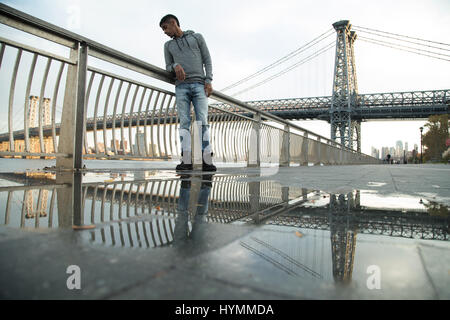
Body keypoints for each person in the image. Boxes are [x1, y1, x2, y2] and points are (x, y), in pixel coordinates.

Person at [160, 14, 216, 171]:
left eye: (165, 27)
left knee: (202, 122)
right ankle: (186, 160)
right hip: (181, 87)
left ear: (173, 23)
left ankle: (207, 159)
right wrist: (175, 65)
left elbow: (207, 59)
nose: (164, 32)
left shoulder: (197, 37)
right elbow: (167, 66)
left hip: (200, 85)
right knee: (184, 122)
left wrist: (209, 80)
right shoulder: (168, 46)